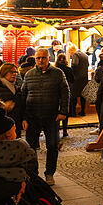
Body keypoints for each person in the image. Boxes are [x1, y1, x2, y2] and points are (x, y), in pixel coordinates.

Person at [21, 48, 69, 185]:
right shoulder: (29, 74)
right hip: (32, 116)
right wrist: (23, 117)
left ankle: (49, 173)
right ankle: (34, 174)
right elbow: (23, 95)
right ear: (35, 59)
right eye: (38, 58)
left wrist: (63, 111)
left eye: (43, 58)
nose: (41, 60)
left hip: (51, 116)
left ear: (49, 58)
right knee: (31, 147)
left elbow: (65, 93)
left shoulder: (57, 73)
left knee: (52, 146)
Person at [0, 64, 25, 137]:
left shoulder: (16, 87)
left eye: (15, 72)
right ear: (4, 72)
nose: (14, 74)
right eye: (11, 72)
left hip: (15, 124)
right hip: (0, 124)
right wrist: (1, 106)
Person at [54, 53, 74, 140]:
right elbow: (72, 80)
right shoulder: (69, 69)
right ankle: (65, 131)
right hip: (66, 92)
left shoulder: (55, 70)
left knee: (56, 111)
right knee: (65, 111)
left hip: (56, 93)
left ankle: (57, 130)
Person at [68, 44, 89, 117]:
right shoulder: (85, 55)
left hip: (76, 78)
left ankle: (73, 113)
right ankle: (83, 111)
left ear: (72, 50)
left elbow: (75, 64)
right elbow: (88, 65)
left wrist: (71, 71)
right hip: (84, 78)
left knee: (74, 95)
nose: (70, 54)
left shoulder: (75, 54)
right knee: (83, 96)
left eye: (69, 52)